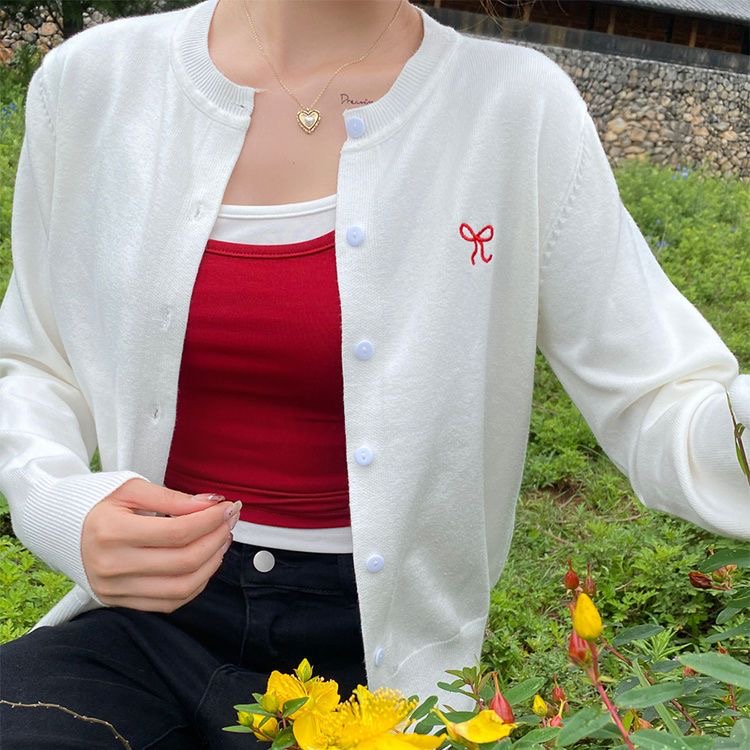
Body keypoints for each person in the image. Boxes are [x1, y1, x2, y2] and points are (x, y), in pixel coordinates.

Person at [0, 0, 748, 747]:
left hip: (383, 664)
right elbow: (32, 362)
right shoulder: (94, 83)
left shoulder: (515, 110)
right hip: (140, 629)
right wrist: (57, 503)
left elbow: (661, 402)